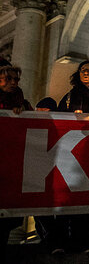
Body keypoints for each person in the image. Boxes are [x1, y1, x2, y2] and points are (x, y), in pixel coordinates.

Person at [57, 61, 89, 254]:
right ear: (78, 74)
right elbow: (59, 117)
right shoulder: (70, 97)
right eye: (83, 70)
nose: (86, 73)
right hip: (72, 150)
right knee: (71, 195)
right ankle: (67, 240)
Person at [0, 65, 31, 258]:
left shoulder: (23, 104)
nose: (13, 82)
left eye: (16, 80)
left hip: (11, 168)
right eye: (8, 78)